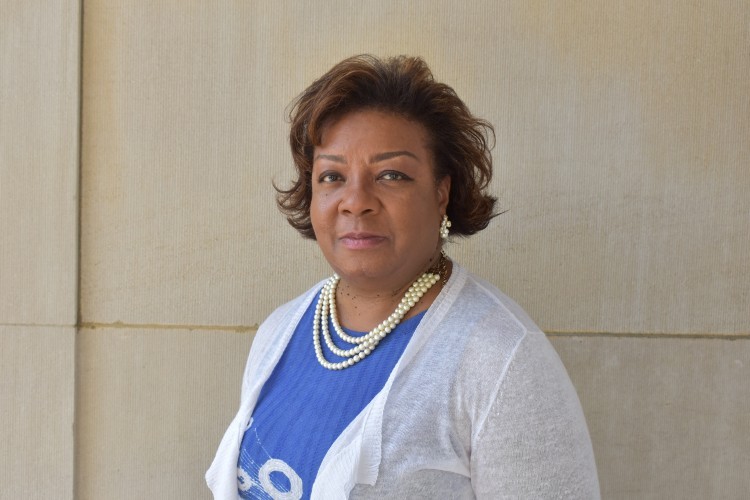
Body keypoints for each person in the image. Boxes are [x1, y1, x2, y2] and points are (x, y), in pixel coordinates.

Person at [207, 54, 600, 499]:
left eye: (391, 175)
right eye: (332, 176)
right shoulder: (282, 331)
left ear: (441, 193)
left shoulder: (501, 362)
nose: (356, 201)